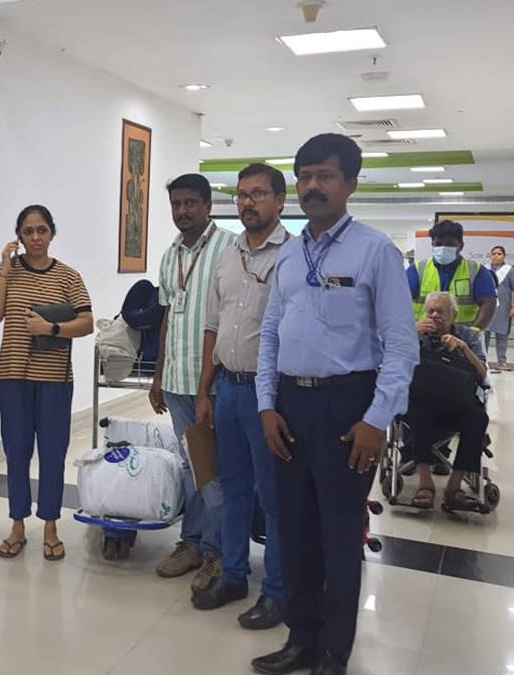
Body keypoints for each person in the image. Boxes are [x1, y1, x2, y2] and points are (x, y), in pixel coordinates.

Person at [253, 134, 418, 675]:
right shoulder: (289, 253)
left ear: (350, 183)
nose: (312, 187)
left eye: (324, 176)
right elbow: (270, 333)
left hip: (349, 409)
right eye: (304, 176)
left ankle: (333, 650)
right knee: (294, 530)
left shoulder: (375, 251)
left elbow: (402, 345)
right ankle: (301, 637)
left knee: (340, 535)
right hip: (289, 405)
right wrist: (266, 405)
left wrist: (377, 419)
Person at [191, 163, 288, 630]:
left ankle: (277, 591)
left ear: (280, 202)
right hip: (226, 389)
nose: (248, 203)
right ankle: (233, 576)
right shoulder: (228, 256)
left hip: (267, 396)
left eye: (258, 194)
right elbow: (213, 326)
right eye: (242, 195)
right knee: (232, 489)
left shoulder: (291, 257)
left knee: (272, 497)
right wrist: (204, 390)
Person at [0, 205, 94, 561]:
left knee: (52, 453)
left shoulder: (68, 277)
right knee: (16, 453)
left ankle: (50, 526)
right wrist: (4, 269)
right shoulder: (6, 271)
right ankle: (17, 524)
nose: (35, 237)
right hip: (13, 376)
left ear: (52, 233)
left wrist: (52, 328)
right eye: (28, 231)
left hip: (54, 380)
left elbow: (87, 323)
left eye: (42, 230)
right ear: (19, 235)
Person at [150, 173, 238, 591]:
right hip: (177, 381)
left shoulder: (230, 248)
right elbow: (169, 315)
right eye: (176, 204)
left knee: (215, 473)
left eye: (190, 203)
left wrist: (208, 385)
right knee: (191, 466)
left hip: (215, 385)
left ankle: (217, 553)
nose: (182, 211)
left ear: (207, 205)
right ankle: (192, 543)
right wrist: (158, 374)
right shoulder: (170, 255)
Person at [408, 292, 490, 511]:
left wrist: (463, 348)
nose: (435, 316)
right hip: (421, 401)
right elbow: (389, 361)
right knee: (419, 408)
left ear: (454, 316)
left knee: (478, 418)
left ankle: (454, 487)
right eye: (431, 311)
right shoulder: (414, 333)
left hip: (457, 403)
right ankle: (425, 482)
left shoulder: (468, 337)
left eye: (441, 312)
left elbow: (483, 376)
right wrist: (410, 335)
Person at [407, 219, 497, 330]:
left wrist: (474, 331)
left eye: (449, 244)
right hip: (424, 335)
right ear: (432, 244)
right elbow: (399, 301)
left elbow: (489, 303)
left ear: (461, 246)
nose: (443, 248)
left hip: (461, 336)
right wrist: (411, 327)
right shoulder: (418, 270)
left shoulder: (476, 271)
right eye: (438, 244)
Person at [486, 245, 514, 370]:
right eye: (494, 253)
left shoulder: (509, 271)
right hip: (486, 308)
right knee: (484, 335)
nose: (496, 256)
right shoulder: (484, 269)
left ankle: (502, 362)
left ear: (504, 256)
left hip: (503, 309)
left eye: (499, 254)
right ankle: (481, 360)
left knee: (502, 335)